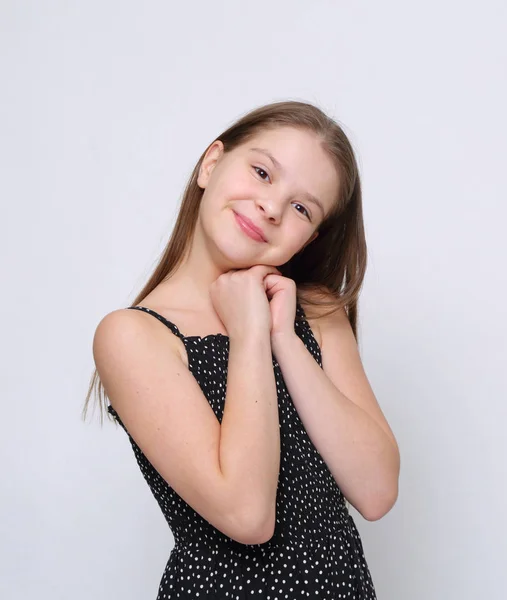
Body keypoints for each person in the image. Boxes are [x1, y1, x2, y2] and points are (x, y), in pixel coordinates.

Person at [83, 100, 400, 599]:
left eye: (301, 208)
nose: (271, 207)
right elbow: (248, 514)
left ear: (309, 238)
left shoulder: (313, 313)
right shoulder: (135, 336)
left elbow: (377, 490)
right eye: (261, 172)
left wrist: (283, 339)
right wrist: (249, 334)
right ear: (211, 164)